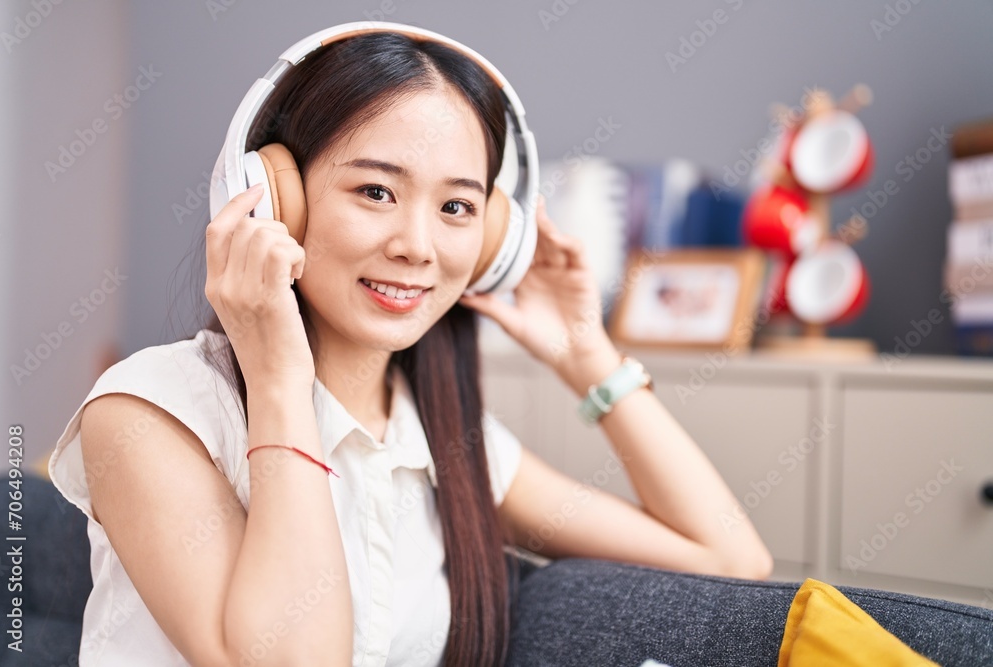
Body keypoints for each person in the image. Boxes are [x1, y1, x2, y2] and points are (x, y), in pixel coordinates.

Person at [48, 27, 772, 667]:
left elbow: (730, 559)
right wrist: (278, 384)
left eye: (456, 207)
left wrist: (587, 357)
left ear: (493, 239)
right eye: (375, 192)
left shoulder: (448, 444)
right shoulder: (147, 410)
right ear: (276, 199)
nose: (418, 247)